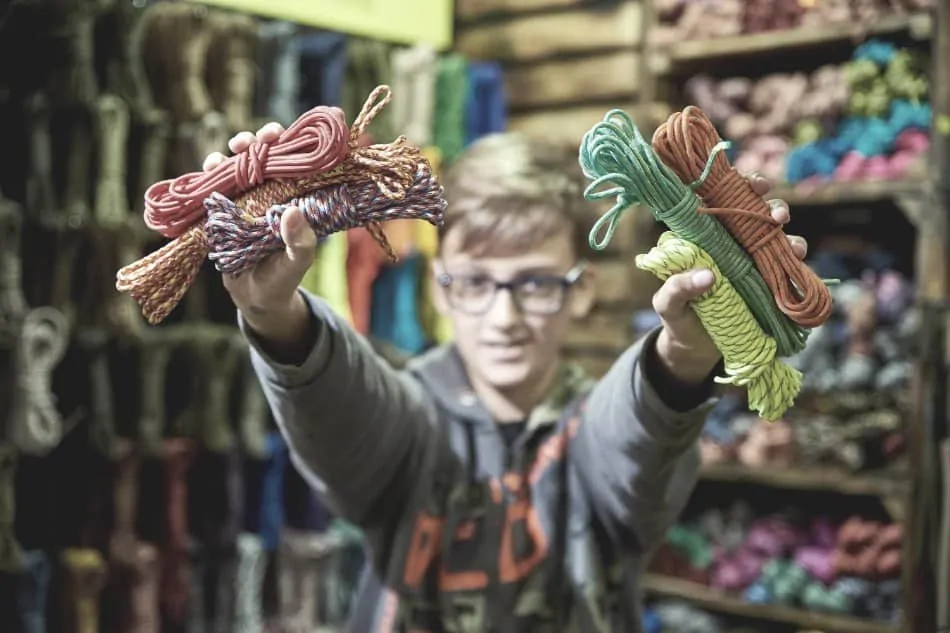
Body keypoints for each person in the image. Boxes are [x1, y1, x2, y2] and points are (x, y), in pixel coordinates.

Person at [202, 123, 809, 632]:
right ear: (439, 291)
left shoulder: (593, 427)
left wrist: (685, 352)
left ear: (583, 292)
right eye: (475, 282)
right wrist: (274, 312)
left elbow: (636, 437)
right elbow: (346, 408)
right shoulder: (411, 416)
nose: (504, 317)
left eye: (536, 284)